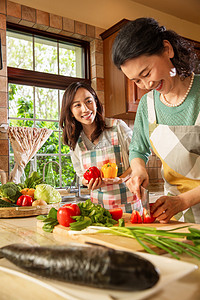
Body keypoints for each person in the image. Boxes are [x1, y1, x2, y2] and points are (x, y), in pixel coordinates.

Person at [112, 17, 200, 223]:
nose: (145, 85)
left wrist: (182, 201)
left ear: (167, 49)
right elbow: (137, 149)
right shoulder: (147, 105)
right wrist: (139, 170)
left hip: (180, 205)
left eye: (146, 73)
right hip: (175, 217)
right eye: (136, 80)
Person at [59, 82, 140, 213]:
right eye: (77, 105)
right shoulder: (75, 142)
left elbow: (139, 159)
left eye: (88, 101)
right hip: (99, 211)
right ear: (71, 112)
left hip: (129, 207)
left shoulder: (118, 127)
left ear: (96, 102)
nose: (85, 109)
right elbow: (81, 175)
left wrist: (122, 178)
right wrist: (88, 182)